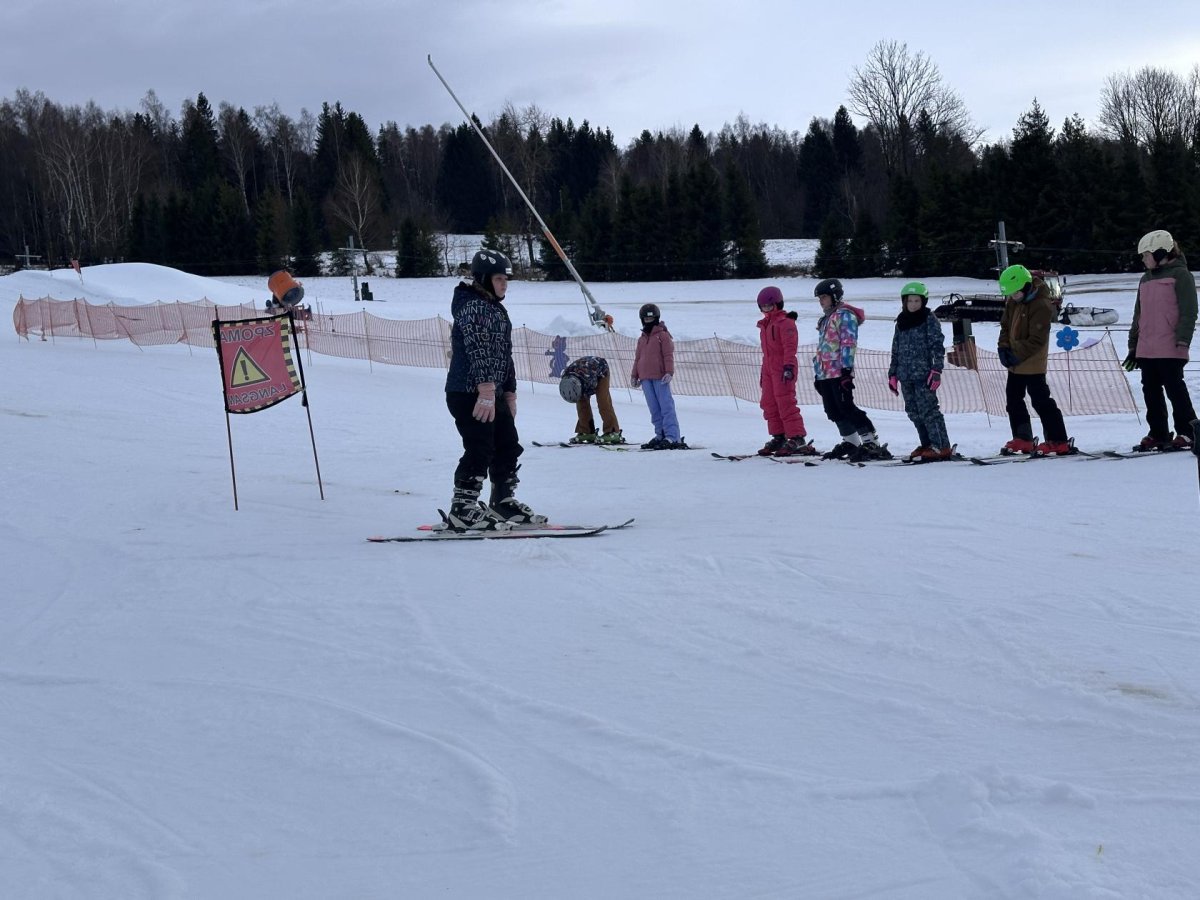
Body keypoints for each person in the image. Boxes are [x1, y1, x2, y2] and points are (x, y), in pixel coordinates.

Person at [442, 249, 545, 531]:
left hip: (492, 392)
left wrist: (509, 391)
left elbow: (503, 354)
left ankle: (502, 500)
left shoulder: (495, 309)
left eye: (506, 280)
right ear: (484, 279)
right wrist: (486, 388)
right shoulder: (472, 307)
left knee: (508, 444)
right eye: (499, 279)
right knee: (480, 446)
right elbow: (478, 348)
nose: (504, 285)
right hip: (468, 392)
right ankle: (462, 507)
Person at [1125, 229, 1197, 452]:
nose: (1143, 260)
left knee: (1175, 390)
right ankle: (1158, 433)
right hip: (1147, 347)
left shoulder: (1181, 276)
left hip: (1170, 345)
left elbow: (1189, 311)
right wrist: (1133, 345)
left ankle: (1188, 432)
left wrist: (1183, 340)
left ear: (1160, 253)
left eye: (1146, 255)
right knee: (1151, 392)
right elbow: (1138, 315)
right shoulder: (1145, 279)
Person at [996, 264, 1073, 455]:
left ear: (1025, 286)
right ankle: (1023, 437)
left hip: (1032, 361)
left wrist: (1016, 354)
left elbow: (1037, 339)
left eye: (1015, 293)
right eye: (1010, 294)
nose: (1013, 297)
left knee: (1040, 400)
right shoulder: (1013, 301)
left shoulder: (1041, 304)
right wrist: (1003, 347)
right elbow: (1005, 326)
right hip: (1015, 362)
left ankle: (1058, 439)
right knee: (1013, 399)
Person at [812, 278, 890, 461]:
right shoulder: (826, 318)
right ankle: (851, 442)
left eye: (824, 297)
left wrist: (846, 371)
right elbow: (822, 348)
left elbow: (848, 343)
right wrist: (818, 374)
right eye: (819, 298)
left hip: (840, 371)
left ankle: (871, 442)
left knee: (846, 407)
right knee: (832, 410)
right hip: (825, 373)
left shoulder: (845, 316)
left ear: (835, 296)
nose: (821, 301)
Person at [888, 281, 953, 461]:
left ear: (923, 302)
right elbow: (895, 349)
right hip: (905, 375)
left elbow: (937, 346)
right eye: (910, 301)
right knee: (913, 412)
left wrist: (936, 370)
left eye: (917, 301)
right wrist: (892, 374)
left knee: (929, 411)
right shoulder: (901, 322)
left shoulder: (929, 319)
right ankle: (926, 444)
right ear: (904, 302)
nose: (913, 304)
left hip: (924, 375)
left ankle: (941, 446)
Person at [755, 286, 817, 456]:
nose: (766, 309)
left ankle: (797, 437)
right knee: (768, 402)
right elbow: (767, 353)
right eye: (763, 306)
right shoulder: (765, 325)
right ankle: (779, 436)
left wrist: (788, 366)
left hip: (783, 367)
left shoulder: (786, 323)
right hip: (768, 368)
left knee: (785, 402)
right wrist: (764, 373)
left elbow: (790, 347)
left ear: (778, 304)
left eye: (769, 305)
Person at [630, 303, 686, 449]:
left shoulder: (663, 336)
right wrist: (634, 375)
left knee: (666, 406)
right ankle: (660, 434)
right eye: (646, 319)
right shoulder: (642, 339)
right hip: (645, 378)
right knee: (654, 409)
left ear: (656, 318)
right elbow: (638, 358)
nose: (648, 322)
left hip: (660, 377)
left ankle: (672, 436)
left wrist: (669, 372)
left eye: (651, 319)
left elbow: (668, 355)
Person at [559, 356, 624, 444]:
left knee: (603, 401)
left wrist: (584, 394)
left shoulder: (588, 378)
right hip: (583, 375)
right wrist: (580, 397)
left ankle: (613, 431)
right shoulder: (565, 376)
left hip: (601, 370)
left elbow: (592, 389)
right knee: (581, 402)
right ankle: (587, 431)